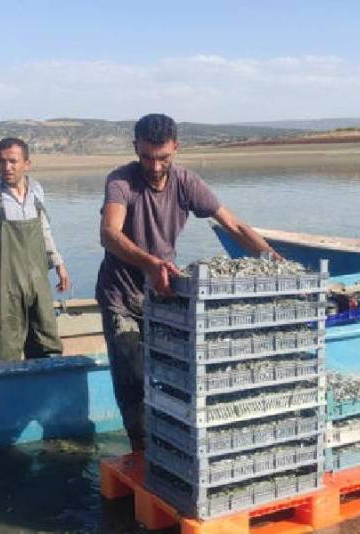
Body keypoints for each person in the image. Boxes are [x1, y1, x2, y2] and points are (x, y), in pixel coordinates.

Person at [96, 113, 278, 450]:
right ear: (136, 147)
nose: (154, 166)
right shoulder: (121, 181)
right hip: (121, 295)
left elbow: (232, 225)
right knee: (132, 378)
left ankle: (171, 442)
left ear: (176, 149)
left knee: (177, 370)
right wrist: (149, 262)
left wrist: (271, 258)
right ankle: (141, 451)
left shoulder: (186, 182)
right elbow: (109, 234)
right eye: (147, 157)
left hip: (163, 291)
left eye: (163, 157)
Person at [0, 137, 71, 361]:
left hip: (37, 284)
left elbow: (44, 229)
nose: (6, 167)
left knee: (46, 344)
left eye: (13, 161)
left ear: (27, 164)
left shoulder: (36, 191)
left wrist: (59, 264)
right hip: (2, 287)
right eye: (1, 161)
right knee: (3, 349)